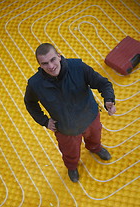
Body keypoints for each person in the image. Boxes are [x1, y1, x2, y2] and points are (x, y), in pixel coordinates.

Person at [24, 43, 116, 182]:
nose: (50, 66)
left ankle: (95, 148)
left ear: (59, 56)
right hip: (65, 129)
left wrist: (109, 99)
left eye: (53, 59)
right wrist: (44, 121)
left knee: (95, 138)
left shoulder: (78, 67)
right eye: (45, 63)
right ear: (40, 65)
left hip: (90, 117)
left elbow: (102, 83)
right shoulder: (35, 84)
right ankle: (72, 166)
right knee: (69, 152)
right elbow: (30, 103)